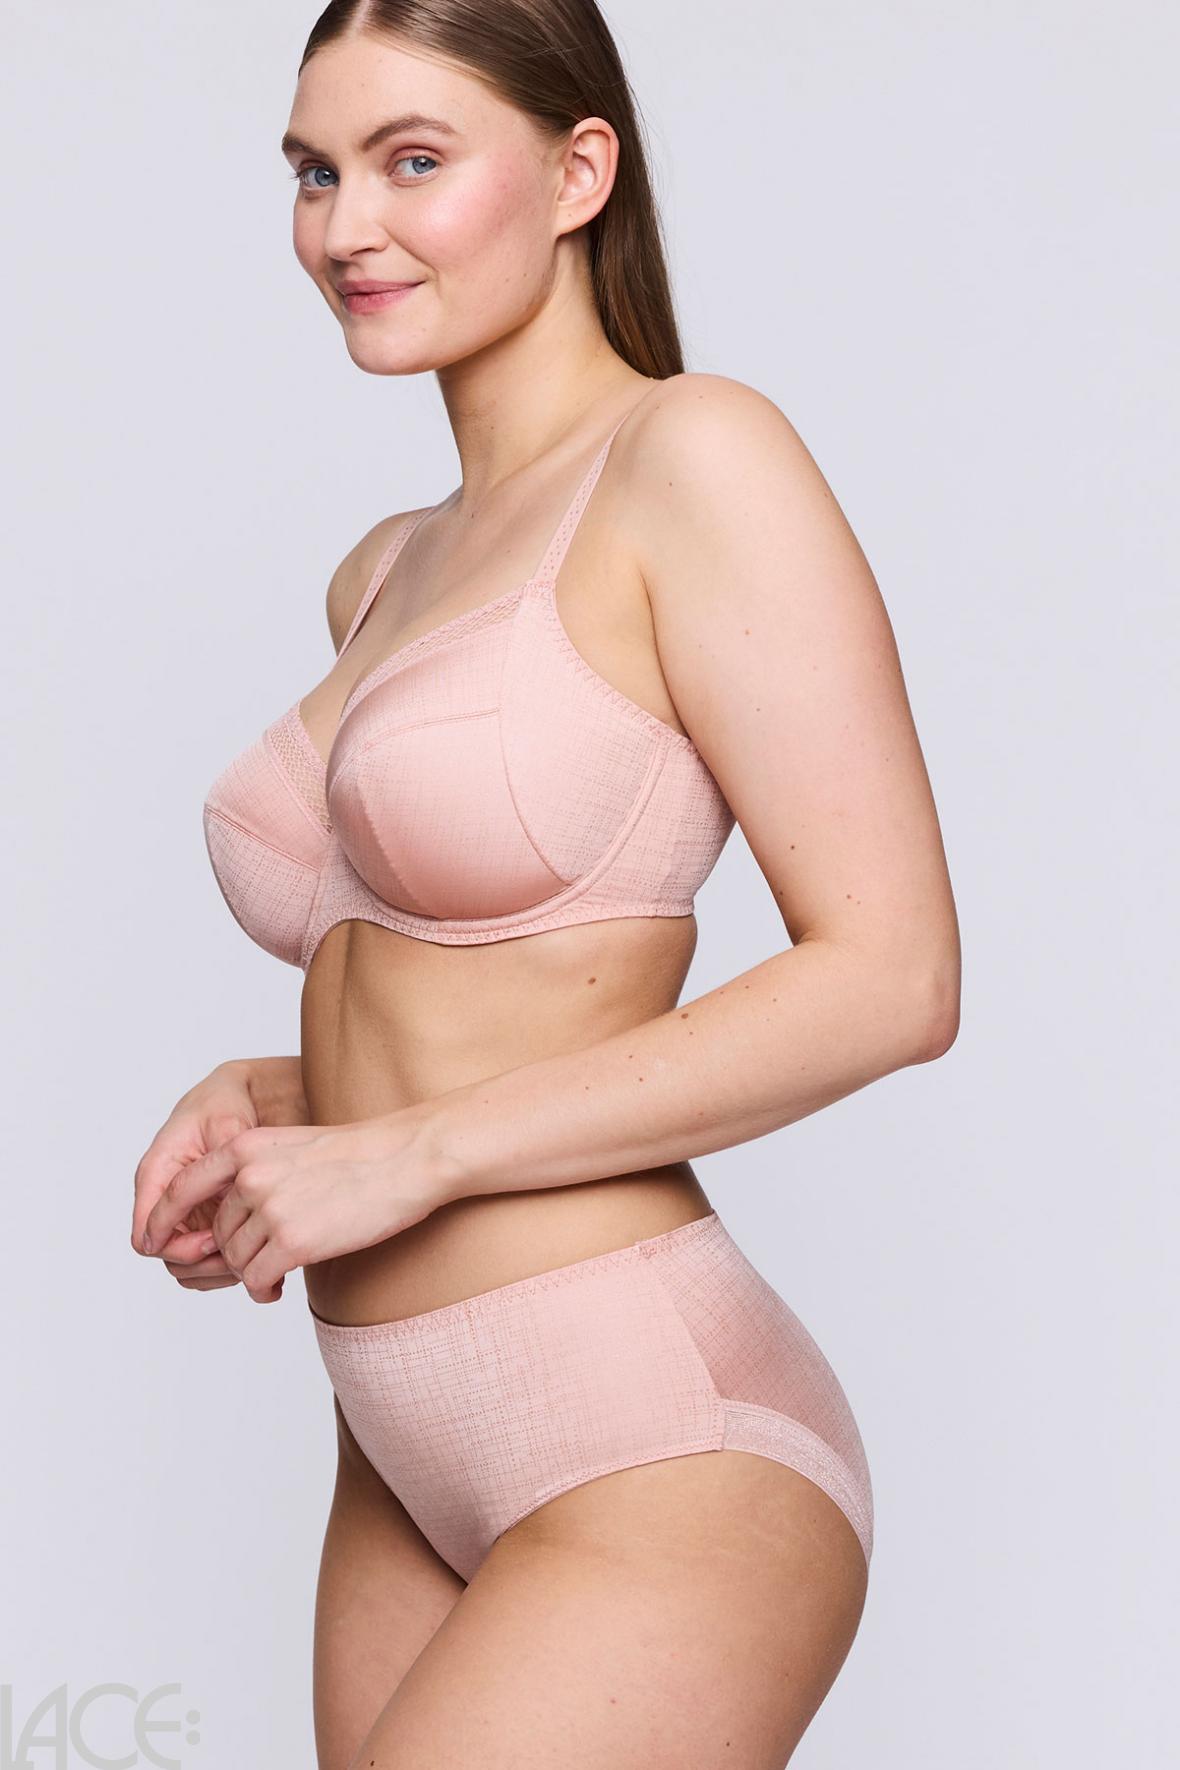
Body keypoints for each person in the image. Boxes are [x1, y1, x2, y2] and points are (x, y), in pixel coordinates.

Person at [131, 3, 960, 1764]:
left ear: (581, 172)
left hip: (650, 1439)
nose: (346, 227)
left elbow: (894, 975)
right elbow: (495, 967)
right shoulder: (387, 568)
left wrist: (411, 1150)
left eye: (413, 161)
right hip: (397, 1451)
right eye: (315, 173)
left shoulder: (694, 457)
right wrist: (299, 1091)